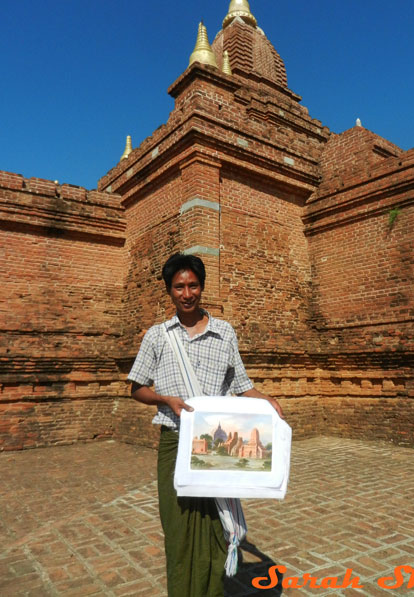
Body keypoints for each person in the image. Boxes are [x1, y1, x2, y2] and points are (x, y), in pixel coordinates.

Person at [128, 253, 282, 597]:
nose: (187, 293)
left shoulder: (224, 333)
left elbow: (243, 385)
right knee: (178, 529)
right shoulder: (157, 337)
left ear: (202, 287)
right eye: (179, 287)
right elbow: (137, 388)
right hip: (175, 443)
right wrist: (166, 400)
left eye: (193, 285)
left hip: (215, 450)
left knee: (216, 527)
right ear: (169, 291)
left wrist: (267, 400)